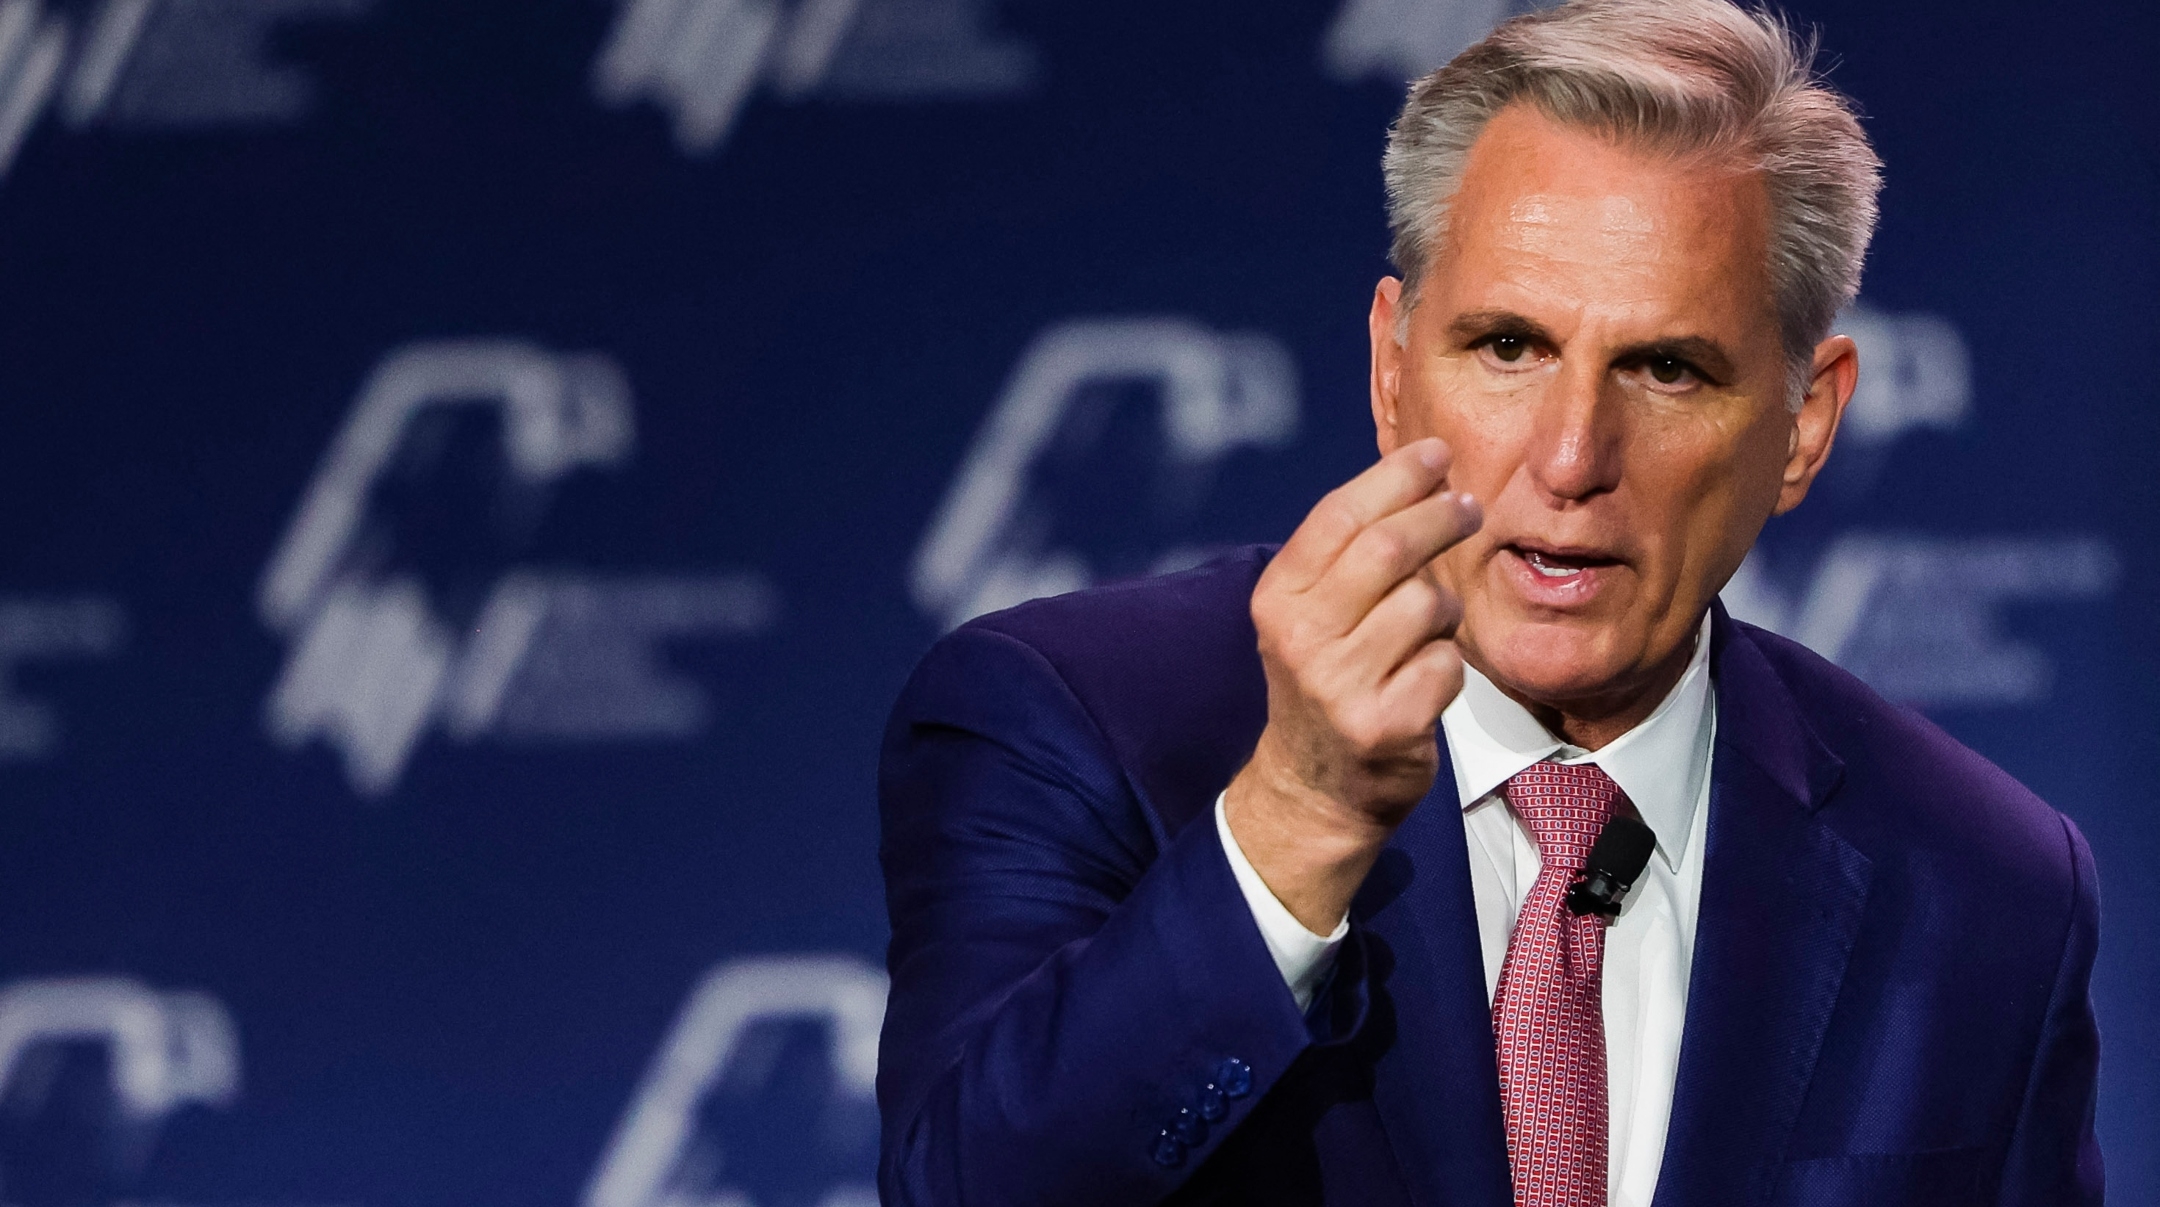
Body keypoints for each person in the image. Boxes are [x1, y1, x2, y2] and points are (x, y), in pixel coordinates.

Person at [874, 1, 2103, 1203]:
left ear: (1805, 424)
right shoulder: (1075, 726)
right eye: (1508, 348)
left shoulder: (1985, 882)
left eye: (1667, 369)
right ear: (1392, 368)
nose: (1571, 458)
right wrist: (1296, 820)